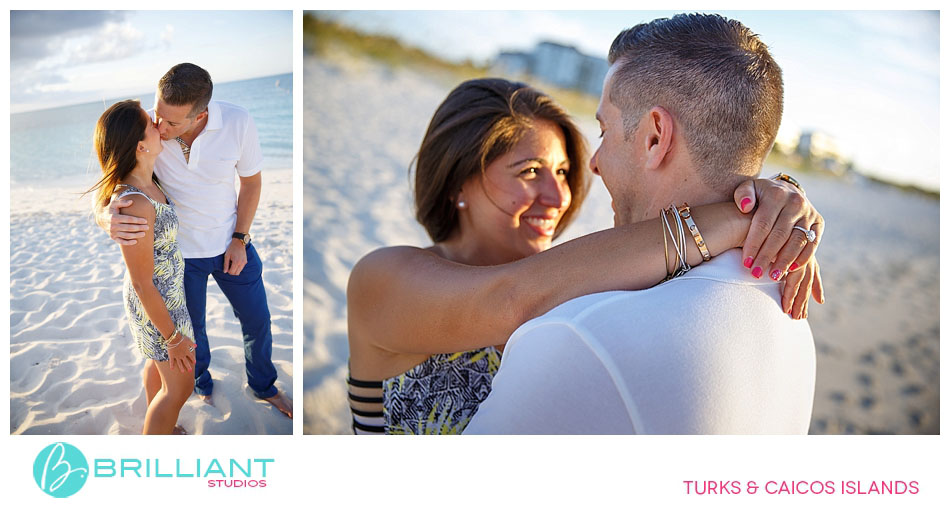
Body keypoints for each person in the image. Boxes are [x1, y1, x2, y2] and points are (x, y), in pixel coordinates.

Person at [346, 77, 823, 434]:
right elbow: (507, 301)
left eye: (562, 171)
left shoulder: (570, 277)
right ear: (457, 180)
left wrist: (775, 214)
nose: (559, 196)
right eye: (529, 171)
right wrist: (737, 218)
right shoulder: (381, 278)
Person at [464, 14, 819, 434]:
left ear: (655, 137)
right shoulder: (790, 311)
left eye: (604, 130)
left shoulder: (581, 336)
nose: (594, 163)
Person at [97, 63, 291, 419]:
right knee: (194, 333)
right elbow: (116, 174)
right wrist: (105, 214)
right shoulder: (150, 134)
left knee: (258, 320)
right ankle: (199, 384)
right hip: (181, 258)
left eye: (171, 122)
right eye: (157, 115)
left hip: (232, 243)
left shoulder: (238, 122)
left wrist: (240, 238)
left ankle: (264, 386)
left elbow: (251, 183)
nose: (161, 126)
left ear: (200, 115)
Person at [87, 100, 196, 434]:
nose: (159, 125)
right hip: (156, 301)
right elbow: (141, 283)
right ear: (139, 145)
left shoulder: (150, 180)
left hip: (166, 295)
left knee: (159, 368)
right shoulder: (135, 202)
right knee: (179, 388)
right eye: (151, 123)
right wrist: (173, 337)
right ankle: (157, 437)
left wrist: (101, 211)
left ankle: (162, 426)